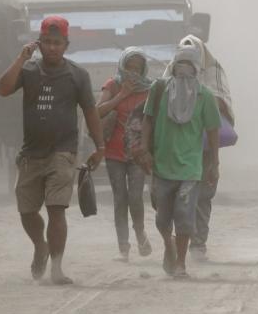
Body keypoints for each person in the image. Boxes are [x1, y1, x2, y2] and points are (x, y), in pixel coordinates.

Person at [0, 15, 105, 285]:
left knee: (57, 209)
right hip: (31, 154)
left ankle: (56, 268)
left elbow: (90, 112)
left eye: (57, 42)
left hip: (63, 153)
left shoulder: (78, 75)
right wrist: (21, 58)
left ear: (66, 45)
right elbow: (2, 89)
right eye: (47, 42)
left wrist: (100, 146)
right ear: (39, 43)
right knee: (27, 211)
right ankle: (39, 246)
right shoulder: (29, 70)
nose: (52, 47)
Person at [137, 45, 220, 279]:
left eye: (189, 67)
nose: (183, 71)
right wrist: (144, 148)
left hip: (191, 168)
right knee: (162, 219)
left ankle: (181, 263)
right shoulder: (159, 89)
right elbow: (148, 119)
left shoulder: (205, 96)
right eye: (179, 66)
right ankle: (168, 244)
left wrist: (214, 163)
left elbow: (213, 131)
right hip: (162, 166)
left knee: (184, 215)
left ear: (196, 70)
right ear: (172, 68)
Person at [174, 34, 234, 261]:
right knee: (178, 196)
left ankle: (198, 244)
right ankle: (179, 245)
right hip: (178, 147)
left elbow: (223, 103)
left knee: (203, 196)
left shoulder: (213, 72)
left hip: (206, 147)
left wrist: (197, 93)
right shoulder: (169, 78)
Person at [96, 48, 154, 261]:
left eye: (137, 68)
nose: (132, 72)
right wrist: (122, 95)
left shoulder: (150, 89)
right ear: (122, 66)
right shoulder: (112, 85)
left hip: (138, 152)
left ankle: (140, 234)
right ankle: (123, 248)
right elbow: (98, 111)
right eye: (129, 67)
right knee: (120, 198)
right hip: (114, 152)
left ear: (143, 69)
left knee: (135, 197)